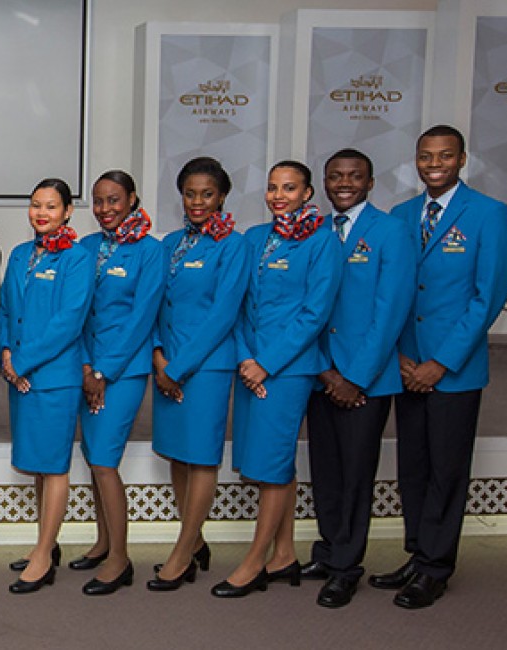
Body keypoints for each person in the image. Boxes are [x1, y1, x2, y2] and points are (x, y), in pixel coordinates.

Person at [370, 125, 507, 609]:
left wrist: (440, 362)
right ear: (416, 159)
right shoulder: (402, 214)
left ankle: (436, 568)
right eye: (426, 156)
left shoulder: (489, 214)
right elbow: (390, 290)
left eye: (445, 156)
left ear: (462, 159)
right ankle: (417, 553)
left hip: (453, 371)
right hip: (406, 365)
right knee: (413, 467)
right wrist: (402, 358)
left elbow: (487, 297)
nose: (435, 164)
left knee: (446, 470)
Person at [215, 161, 341, 598]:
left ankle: (255, 561)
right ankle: (284, 552)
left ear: (308, 194)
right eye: (272, 187)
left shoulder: (323, 242)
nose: (279, 195)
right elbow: (239, 304)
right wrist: (247, 357)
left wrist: (266, 363)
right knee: (270, 463)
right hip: (250, 364)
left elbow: (315, 313)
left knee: (271, 465)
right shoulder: (253, 238)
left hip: (287, 370)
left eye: (289, 188)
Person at [298, 149, 417, 608]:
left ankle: (347, 566)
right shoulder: (315, 231)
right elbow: (309, 307)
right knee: (325, 471)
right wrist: (326, 371)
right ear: (323, 184)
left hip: (366, 381)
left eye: (354, 177)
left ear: (370, 182)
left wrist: (355, 378)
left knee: (354, 476)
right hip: (321, 373)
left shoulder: (391, 231)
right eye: (335, 176)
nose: (343, 183)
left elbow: (391, 311)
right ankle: (328, 552)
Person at [148, 157, 248, 591]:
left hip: (205, 367)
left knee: (202, 456)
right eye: (190, 194)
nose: (197, 202)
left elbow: (224, 313)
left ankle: (181, 553)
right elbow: (153, 301)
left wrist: (179, 367)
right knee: (176, 453)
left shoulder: (234, 245)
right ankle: (198, 540)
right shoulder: (170, 242)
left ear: (221, 196)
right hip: (167, 363)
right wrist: (157, 356)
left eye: (206, 194)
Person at [0, 178, 93, 595]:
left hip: (54, 378)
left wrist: (22, 361)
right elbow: (5, 309)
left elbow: (68, 322)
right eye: (36, 205)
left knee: (54, 466)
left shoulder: (79, 257)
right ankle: (46, 544)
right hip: (18, 377)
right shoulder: (20, 254)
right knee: (37, 463)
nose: (42, 213)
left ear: (68, 211)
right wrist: (5, 352)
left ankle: (42, 558)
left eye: (51, 206)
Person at [72, 171, 163, 595]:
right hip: (88, 367)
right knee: (93, 457)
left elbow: (141, 319)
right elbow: (79, 314)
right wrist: (88, 367)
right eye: (98, 201)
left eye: (114, 200)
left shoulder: (151, 251)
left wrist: (104, 371)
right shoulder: (86, 247)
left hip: (123, 372)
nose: (105, 209)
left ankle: (120, 559)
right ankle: (103, 541)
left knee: (106, 460)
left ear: (132, 200)